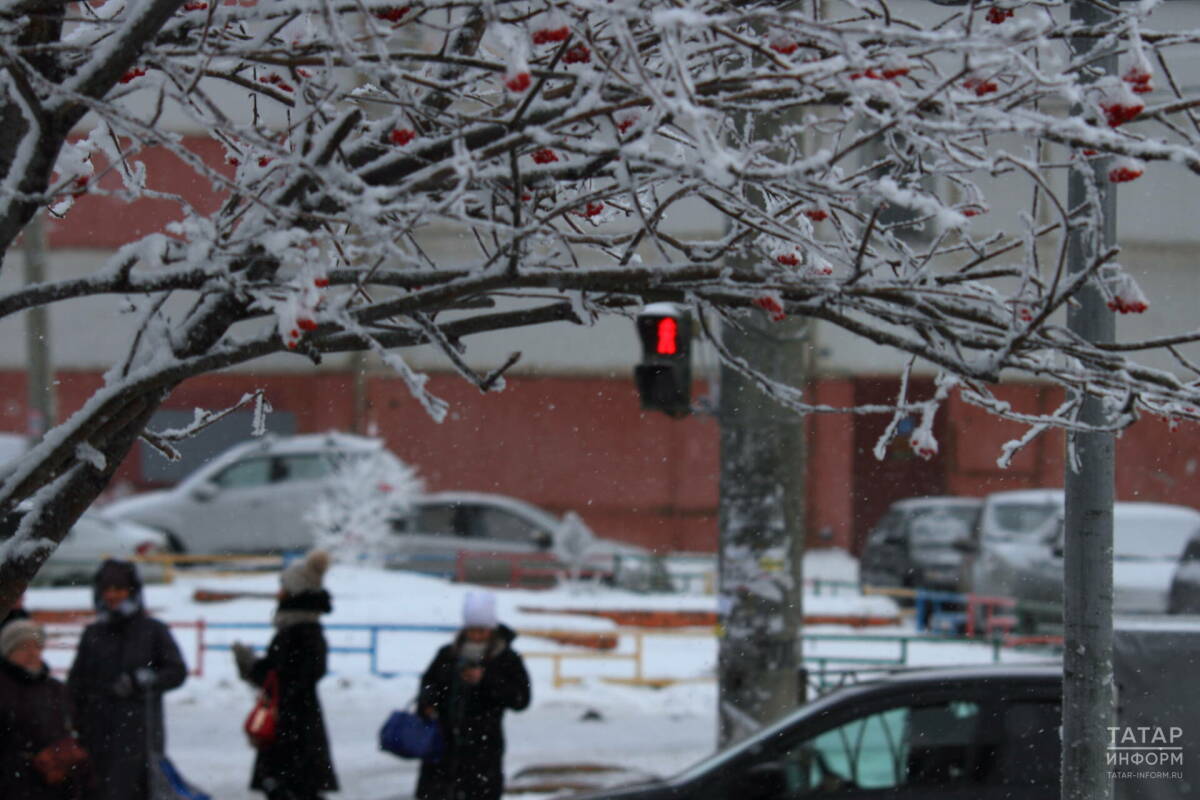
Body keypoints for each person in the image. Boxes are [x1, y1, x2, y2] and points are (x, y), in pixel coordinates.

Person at [67, 558, 186, 800]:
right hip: (96, 735)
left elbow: (176, 671)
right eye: (107, 590)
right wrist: (72, 722)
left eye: (119, 589)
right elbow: (76, 684)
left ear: (132, 592)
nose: (112, 595)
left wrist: (143, 680)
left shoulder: (153, 630)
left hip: (140, 737)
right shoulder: (93, 634)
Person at [233, 549, 338, 800]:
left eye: (283, 586)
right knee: (294, 787)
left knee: (290, 787)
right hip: (295, 723)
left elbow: (289, 676)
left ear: (295, 592)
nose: (278, 592)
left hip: (291, 726)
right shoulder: (299, 629)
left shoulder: (300, 631)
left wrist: (252, 667)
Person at [416, 590, 531, 800]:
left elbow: (521, 699)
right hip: (443, 747)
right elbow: (429, 683)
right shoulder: (448, 654)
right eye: (472, 630)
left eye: (482, 630)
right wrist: (427, 704)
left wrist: (485, 680)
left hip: (483, 751)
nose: (477, 635)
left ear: (492, 630)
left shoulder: (506, 658)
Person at [0, 619, 88, 799]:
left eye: (37, 646)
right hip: (12, 784)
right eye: (23, 647)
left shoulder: (56, 689)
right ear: (8, 651)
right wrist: (27, 759)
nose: (32, 653)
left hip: (56, 784)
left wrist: (65, 758)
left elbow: (74, 726)